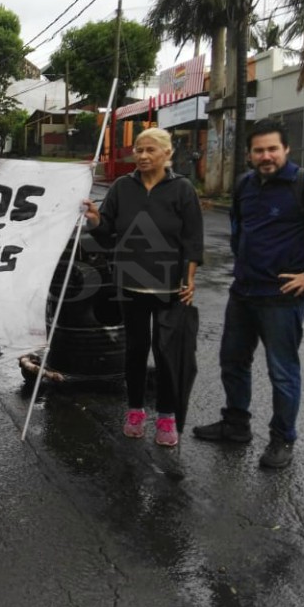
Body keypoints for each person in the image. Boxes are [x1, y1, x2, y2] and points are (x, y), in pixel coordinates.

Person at [193, 119, 304, 468]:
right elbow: (238, 227)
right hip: (243, 292)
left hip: (281, 298)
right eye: (258, 150)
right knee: (233, 362)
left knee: (282, 372)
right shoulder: (245, 185)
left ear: (286, 150)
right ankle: (236, 425)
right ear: (250, 154)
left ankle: (283, 439)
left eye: (272, 149)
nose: (266, 156)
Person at [84, 127, 204, 447]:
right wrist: (95, 219)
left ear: (168, 154)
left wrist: (189, 279)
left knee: (167, 354)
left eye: (150, 150)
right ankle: (135, 410)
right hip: (130, 284)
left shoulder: (182, 190)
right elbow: (107, 232)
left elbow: (193, 240)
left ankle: (166, 416)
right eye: (138, 150)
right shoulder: (123, 187)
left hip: (171, 288)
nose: (143, 156)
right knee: (135, 351)